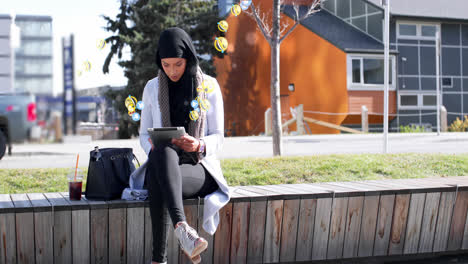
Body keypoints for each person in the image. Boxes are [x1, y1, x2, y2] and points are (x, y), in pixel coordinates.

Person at [138, 27, 231, 264]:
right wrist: (152, 146)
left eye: (177, 64)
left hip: (198, 167)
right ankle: (183, 230)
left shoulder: (208, 86)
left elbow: (219, 136)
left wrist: (198, 144)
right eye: (166, 65)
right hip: (165, 162)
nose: (172, 71)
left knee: (159, 175)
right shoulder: (151, 88)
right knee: (161, 150)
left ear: (188, 57)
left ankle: (159, 259)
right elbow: (142, 135)